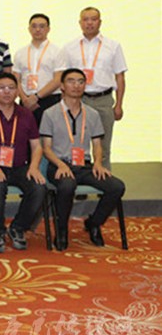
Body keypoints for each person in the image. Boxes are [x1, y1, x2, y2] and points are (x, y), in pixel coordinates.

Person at [40, 68, 125, 250]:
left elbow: (97, 144)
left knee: (116, 187)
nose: (76, 86)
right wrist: (61, 164)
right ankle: (62, 230)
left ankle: (93, 223)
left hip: (84, 165)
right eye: (71, 81)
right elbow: (46, 148)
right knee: (67, 185)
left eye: (80, 82)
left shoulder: (92, 114)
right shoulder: (50, 113)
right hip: (59, 165)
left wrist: (98, 163)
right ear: (62, 86)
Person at [0, 72, 46, 253]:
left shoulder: (26, 115)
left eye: (11, 88)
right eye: (1, 88)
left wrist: (34, 167)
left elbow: (37, 146)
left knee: (39, 188)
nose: (6, 92)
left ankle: (18, 228)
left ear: (17, 92)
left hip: (19, 167)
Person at [58, 7, 127, 170]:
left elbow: (120, 76)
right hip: (78, 100)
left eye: (93, 19)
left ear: (100, 22)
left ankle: (104, 178)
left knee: (103, 144)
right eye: (86, 19)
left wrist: (119, 104)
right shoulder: (69, 47)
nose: (89, 23)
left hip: (104, 100)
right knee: (77, 142)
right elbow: (63, 77)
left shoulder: (113, 46)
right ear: (80, 23)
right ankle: (79, 178)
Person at [12, 13, 65, 125]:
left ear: (48, 29)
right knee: (26, 134)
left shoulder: (57, 51)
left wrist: (37, 97)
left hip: (50, 100)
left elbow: (58, 79)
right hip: (25, 101)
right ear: (29, 29)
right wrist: (24, 99)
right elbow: (15, 79)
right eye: (34, 26)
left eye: (42, 26)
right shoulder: (20, 52)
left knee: (48, 134)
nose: (37, 30)